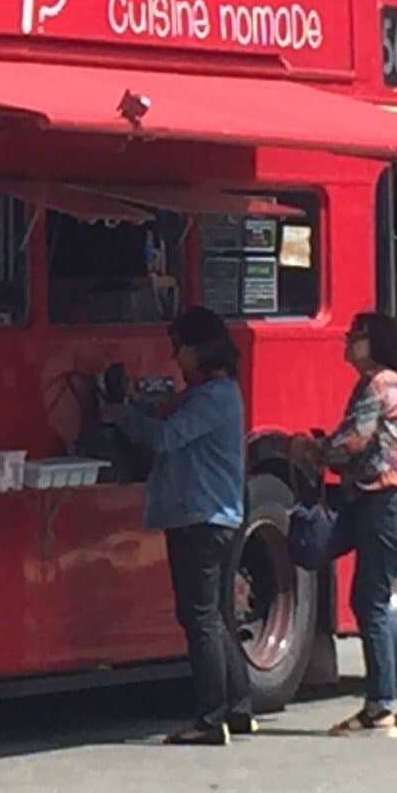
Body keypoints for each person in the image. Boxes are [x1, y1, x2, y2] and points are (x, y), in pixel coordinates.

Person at [113, 305, 252, 745]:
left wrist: (120, 413)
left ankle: (210, 718)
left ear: (200, 348)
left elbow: (167, 438)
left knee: (199, 618)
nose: (175, 357)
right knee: (215, 616)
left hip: (201, 516)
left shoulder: (213, 397)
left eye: (180, 348)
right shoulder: (214, 393)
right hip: (213, 515)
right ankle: (239, 706)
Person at [319, 310, 397, 735]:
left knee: (368, 602)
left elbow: (353, 441)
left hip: (388, 503)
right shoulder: (396, 385)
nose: (348, 339)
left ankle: (380, 706)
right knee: (375, 599)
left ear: (378, 343)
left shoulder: (379, 385)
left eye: (358, 335)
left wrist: (311, 449)